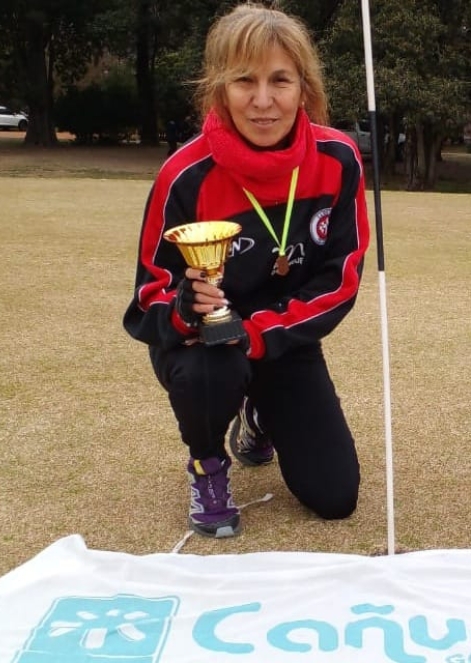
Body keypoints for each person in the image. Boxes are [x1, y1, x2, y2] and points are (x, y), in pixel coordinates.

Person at [123, 3, 369, 538]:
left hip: (280, 339)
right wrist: (187, 312)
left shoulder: (339, 158)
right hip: (204, 349)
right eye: (244, 81)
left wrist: (258, 335)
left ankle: (260, 415)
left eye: (280, 80)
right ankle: (208, 464)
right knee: (212, 373)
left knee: (335, 497)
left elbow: (341, 278)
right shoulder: (183, 175)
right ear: (219, 88)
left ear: (304, 87)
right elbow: (150, 293)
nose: (263, 101)